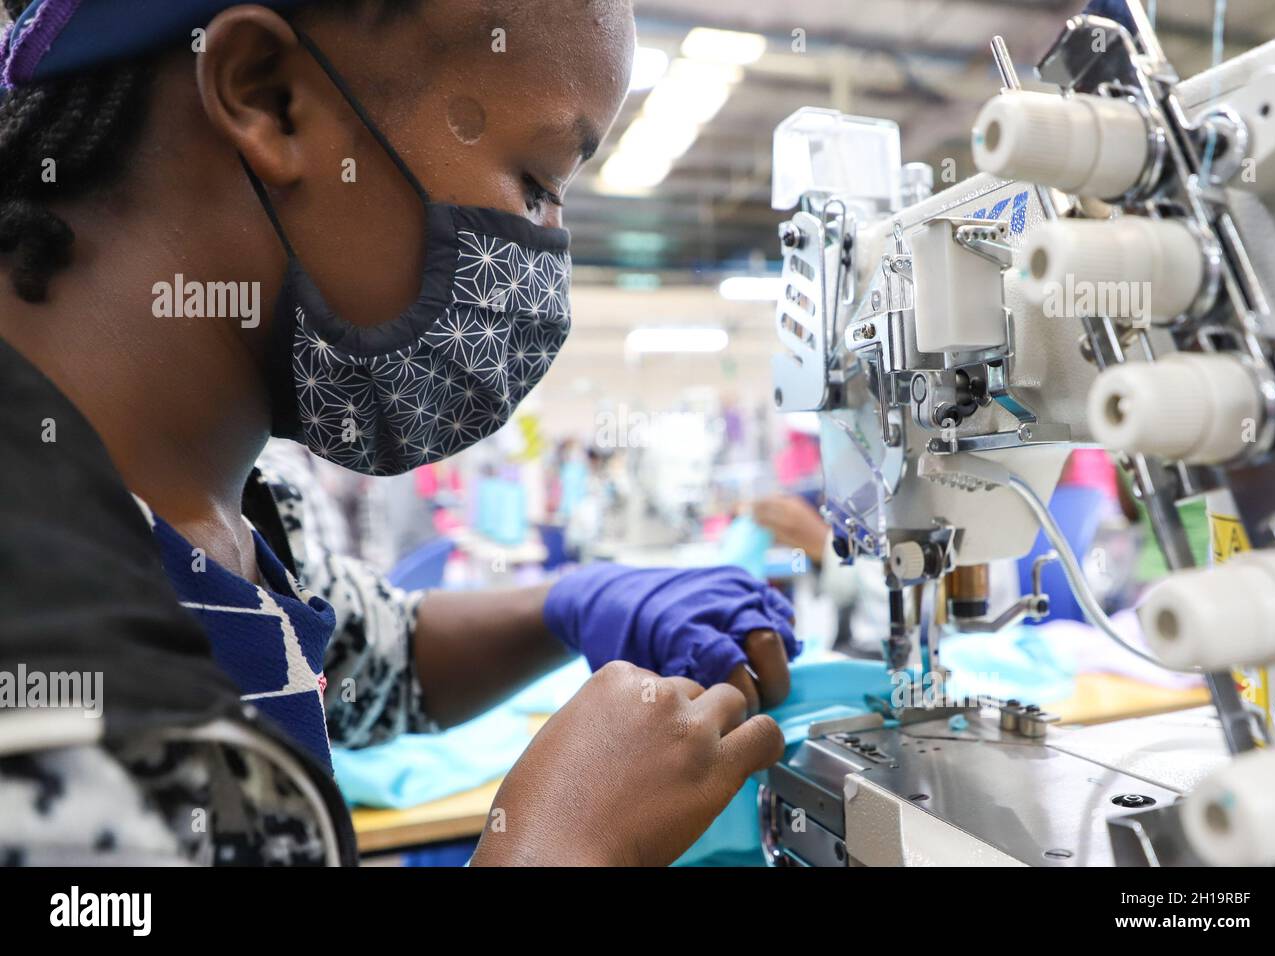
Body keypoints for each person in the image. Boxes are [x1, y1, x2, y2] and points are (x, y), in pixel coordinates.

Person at [0, 0, 797, 866]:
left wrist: (571, 604)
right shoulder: (45, 634)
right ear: (268, 98)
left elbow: (375, 658)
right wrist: (552, 852)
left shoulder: (228, 511)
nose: (544, 260)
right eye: (534, 183)